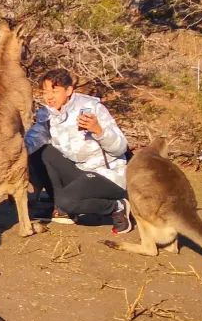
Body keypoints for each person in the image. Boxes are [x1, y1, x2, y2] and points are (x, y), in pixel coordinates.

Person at [23, 68, 132, 233]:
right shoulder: (47, 114)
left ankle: (117, 206)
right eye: (45, 92)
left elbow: (120, 148)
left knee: (68, 201)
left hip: (107, 175)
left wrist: (99, 131)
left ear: (68, 90)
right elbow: (31, 141)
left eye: (54, 91)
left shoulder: (91, 107)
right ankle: (60, 208)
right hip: (79, 172)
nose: (49, 97)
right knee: (40, 152)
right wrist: (9, 151)